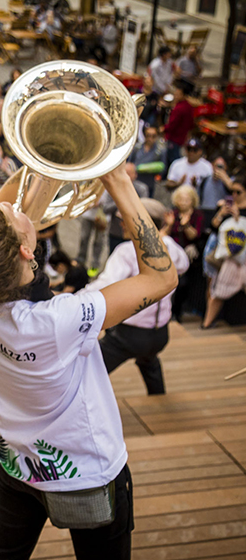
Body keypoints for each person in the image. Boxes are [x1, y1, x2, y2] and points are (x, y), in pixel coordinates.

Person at [0, 165, 179, 560]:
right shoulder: (57, 322)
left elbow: (15, 215)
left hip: (17, 462)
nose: (13, 209)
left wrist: (48, 162)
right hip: (86, 474)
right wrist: (118, 183)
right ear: (25, 252)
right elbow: (162, 277)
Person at [87, 199, 188, 395]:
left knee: (89, 368)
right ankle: (159, 402)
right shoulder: (169, 246)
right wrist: (163, 237)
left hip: (129, 335)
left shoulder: (127, 251)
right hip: (159, 334)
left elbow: (104, 285)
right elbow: (183, 264)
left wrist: (72, 299)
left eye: (124, 219)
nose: (121, 223)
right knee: (149, 361)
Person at [202, 176, 246, 329]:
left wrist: (238, 218)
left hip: (244, 259)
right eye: (231, 191)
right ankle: (206, 324)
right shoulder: (225, 207)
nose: (234, 195)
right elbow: (212, 228)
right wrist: (221, 213)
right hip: (229, 258)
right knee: (219, 291)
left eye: (238, 192)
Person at [168, 184, 205, 322]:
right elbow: (166, 232)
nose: (183, 202)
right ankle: (171, 312)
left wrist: (186, 225)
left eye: (187, 199)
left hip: (189, 254)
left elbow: (195, 236)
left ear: (192, 200)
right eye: (181, 199)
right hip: (172, 252)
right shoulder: (173, 213)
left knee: (184, 284)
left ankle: (178, 311)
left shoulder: (197, 215)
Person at [102, 163, 150, 253]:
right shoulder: (113, 186)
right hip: (115, 232)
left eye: (129, 173)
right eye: (124, 172)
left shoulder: (142, 189)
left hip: (133, 234)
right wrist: (119, 200)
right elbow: (106, 209)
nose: (126, 176)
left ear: (135, 175)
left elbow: (144, 210)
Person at [160, 79, 194, 167]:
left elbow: (172, 124)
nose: (175, 95)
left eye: (178, 94)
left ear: (183, 95)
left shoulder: (179, 109)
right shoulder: (189, 106)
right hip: (182, 138)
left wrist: (164, 129)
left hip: (174, 138)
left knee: (172, 158)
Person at [129, 124, 167, 197]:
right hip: (135, 183)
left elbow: (163, 168)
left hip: (149, 184)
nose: (150, 138)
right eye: (148, 135)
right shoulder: (137, 148)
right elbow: (130, 163)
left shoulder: (160, 151)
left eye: (153, 136)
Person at [199, 156, 236, 224]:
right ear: (212, 165)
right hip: (205, 212)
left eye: (221, 166)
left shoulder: (230, 180)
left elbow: (235, 192)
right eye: (216, 166)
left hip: (220, 212)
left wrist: (225, 179)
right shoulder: (205, 180)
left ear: (226, 167)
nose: (218, 169)